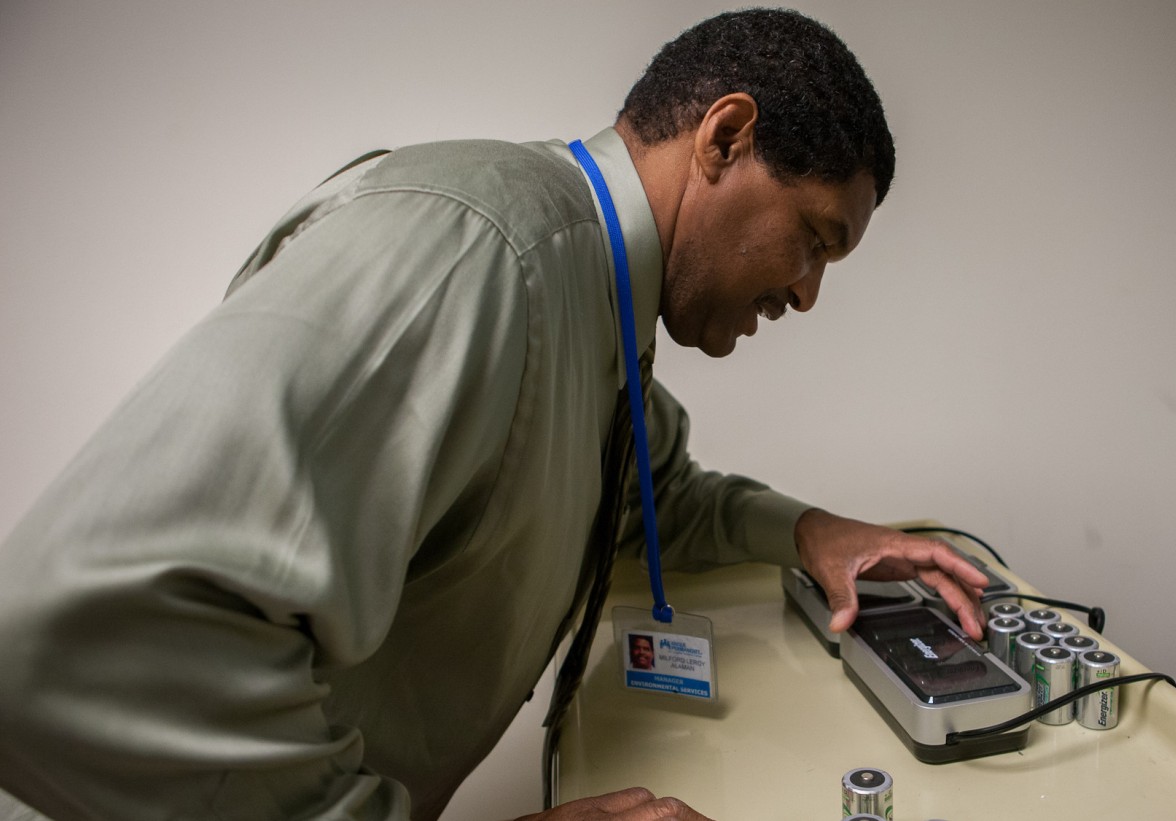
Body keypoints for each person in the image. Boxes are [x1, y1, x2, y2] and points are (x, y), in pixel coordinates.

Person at [0, 9, 989, 821]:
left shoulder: (587, 293)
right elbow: (75, 634)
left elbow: (645, 492)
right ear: (724, 137)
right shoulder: (482, 250)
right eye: (812, 240)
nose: (807, 293)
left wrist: (813, 532)